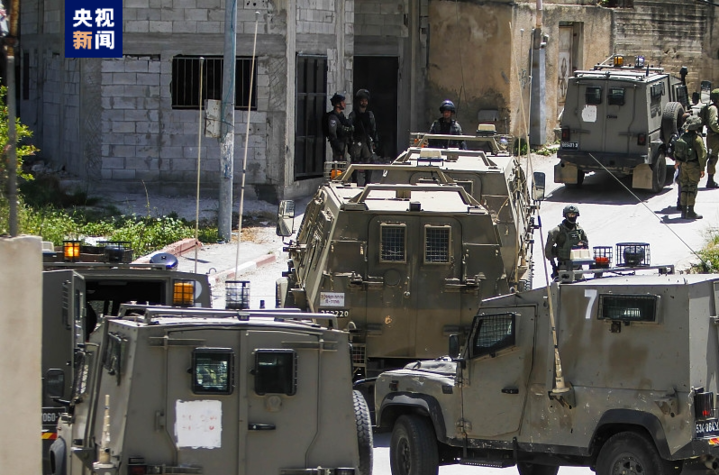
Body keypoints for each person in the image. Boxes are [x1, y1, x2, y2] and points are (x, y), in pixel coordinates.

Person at [674, 115, 707, 220]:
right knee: (692, 188)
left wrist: (677, 162)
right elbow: (702, 155)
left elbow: (678, 152)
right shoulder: (697, 139)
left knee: (684, 187)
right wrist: (702, 169)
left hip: (683, 166)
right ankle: (691, 211)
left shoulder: (683, 137)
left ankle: (684, 211)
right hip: (693, 166)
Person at [544, 205, 589, 277]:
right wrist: (553, 266)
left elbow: (586, 246)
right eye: (570, 214)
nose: (572, 216)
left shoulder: (580, 231)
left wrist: (583, 246)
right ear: (565, 215)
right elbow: (548, 250)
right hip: (563, 266)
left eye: (574, 214)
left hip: (578, 267)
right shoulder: (557, 231)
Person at [348, 89, 379, 185]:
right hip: (356, 140)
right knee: (355, 161)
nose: (364, 102)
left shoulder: (369, 115)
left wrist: (375, 141)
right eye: (362, 100)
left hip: (366, 141)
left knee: (369, 161)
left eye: (365, 101)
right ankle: (354, 181)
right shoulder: (353, 115)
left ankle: (367, 181)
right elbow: (349, 128)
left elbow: (373, 129)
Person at [326, 92, 353, 162]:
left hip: (344, 143)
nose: (344, 104)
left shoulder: (341, 115)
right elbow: (332, 133)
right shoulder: (333, 117)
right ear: (337, 104)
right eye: (342, 102)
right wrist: (338, 148)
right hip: (339, 144)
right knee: (338, 164)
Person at [705, 88, 719, 188]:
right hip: (713, 136)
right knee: (712, 157)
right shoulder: (713, 109)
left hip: (715, 135)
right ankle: (710, 181)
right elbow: (713, 124)